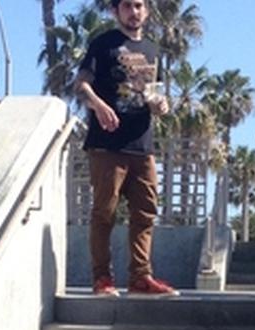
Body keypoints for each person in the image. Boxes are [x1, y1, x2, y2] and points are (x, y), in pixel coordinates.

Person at [75, 0, 180, 297]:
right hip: (107, 144)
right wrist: (98, 105)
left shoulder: (152, 50)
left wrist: (161, 105)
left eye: (139, 6)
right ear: (116, 12)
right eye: (127, 6)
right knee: (104, 212)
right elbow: (81, 84)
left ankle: (141, 277)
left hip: (142, 144)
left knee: (145, 212)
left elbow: (156, 95)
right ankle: (102, 279)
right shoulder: (103, 44)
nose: (134, 12)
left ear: (146, 10)